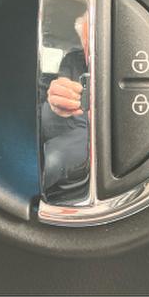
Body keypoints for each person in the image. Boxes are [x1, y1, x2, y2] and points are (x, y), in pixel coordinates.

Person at [40, 13, 90, 197]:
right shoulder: (72, 60)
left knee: (53, 157)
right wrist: (58, 96)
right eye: (86, 40)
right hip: (70, 119)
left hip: (91, 131)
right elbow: (61, 87)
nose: (90, 46)